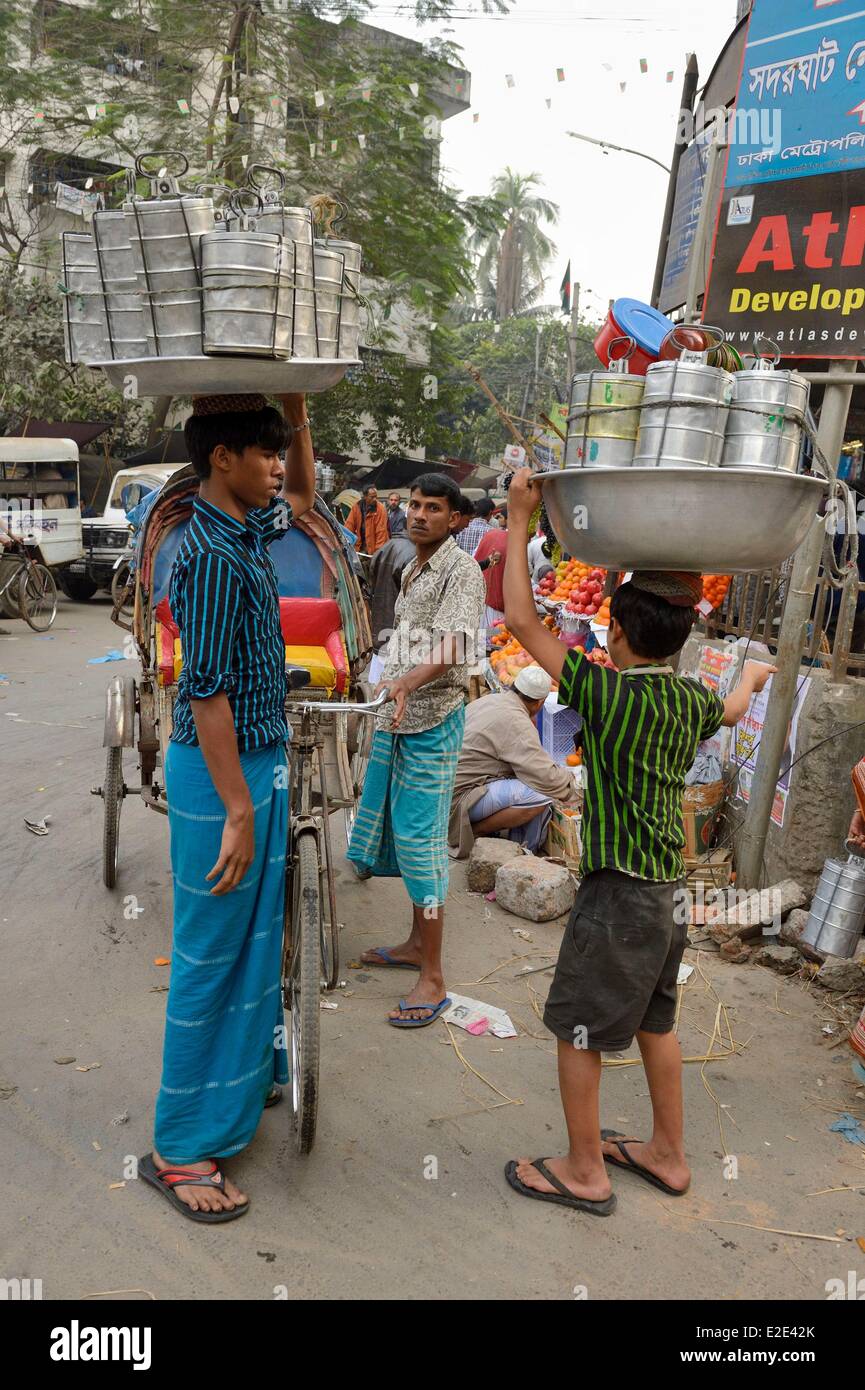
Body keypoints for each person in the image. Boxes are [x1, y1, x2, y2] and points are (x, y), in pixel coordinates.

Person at [500, 467, 776, 1217]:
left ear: (614, 631)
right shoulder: (688, 699)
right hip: (668, 893)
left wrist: (521, 517)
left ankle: (584, 1170)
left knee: (576, 1029)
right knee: (656, 1024)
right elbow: (730, 710)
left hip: (618, 891)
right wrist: (754, 674)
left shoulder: (605, 691)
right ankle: (666, 1154)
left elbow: (522, 622)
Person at [139, 392, 315, 1224]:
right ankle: (177, 1146)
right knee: (211, 950)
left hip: (256, 764)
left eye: (279, 453)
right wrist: (239, 810)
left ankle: (237, 1091)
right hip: (222, 779)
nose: (277, 468)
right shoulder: (205, 552)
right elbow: (200, 688)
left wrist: (295, 411)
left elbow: (308, 505)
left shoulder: (247, 528)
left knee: (257, 942)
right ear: (222, 460)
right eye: (265, 452)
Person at [348, 473, 485, 1026]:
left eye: (433, 508)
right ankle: (412, 945)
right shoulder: (411, 567)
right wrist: (388, 681)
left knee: (425, 843)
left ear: (456, 519)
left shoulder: (463, 570)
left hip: (433, 721)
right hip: (397, 717)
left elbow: (453, 647)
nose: (419, 514)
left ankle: (433, 976)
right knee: (401, 832)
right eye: (414, 505)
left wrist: (406, 684)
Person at [449, 664, 581, 858]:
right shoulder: (516, 721)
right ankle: (476, 831)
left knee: (532, 784)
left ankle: (513, 844)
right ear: (539, 702)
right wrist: (575, 788)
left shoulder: (493, 700)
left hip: (447, 789)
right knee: (541, 793)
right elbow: (545, 777)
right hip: (460, 799)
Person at [367, 529, 416, 684]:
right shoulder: (414, 555)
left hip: (380, 619)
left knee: (377, 676)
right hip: (396, 626)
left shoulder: (386, 547)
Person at [473, 523, 508, 633]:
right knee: (493, 638)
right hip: (496, 601)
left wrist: (488, 561)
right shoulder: (510, 544)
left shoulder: (490, 535)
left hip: (477, 597)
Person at [346, 483, 389, 555]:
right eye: (372, 497)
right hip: (359, 546)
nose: (375, 499)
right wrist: (346, 542)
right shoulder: (357, 507)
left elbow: (381, 533)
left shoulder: (380, 509)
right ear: (365, 496)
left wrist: (377, 554)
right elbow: (349, 526)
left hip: (374, 548)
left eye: (376, 496)